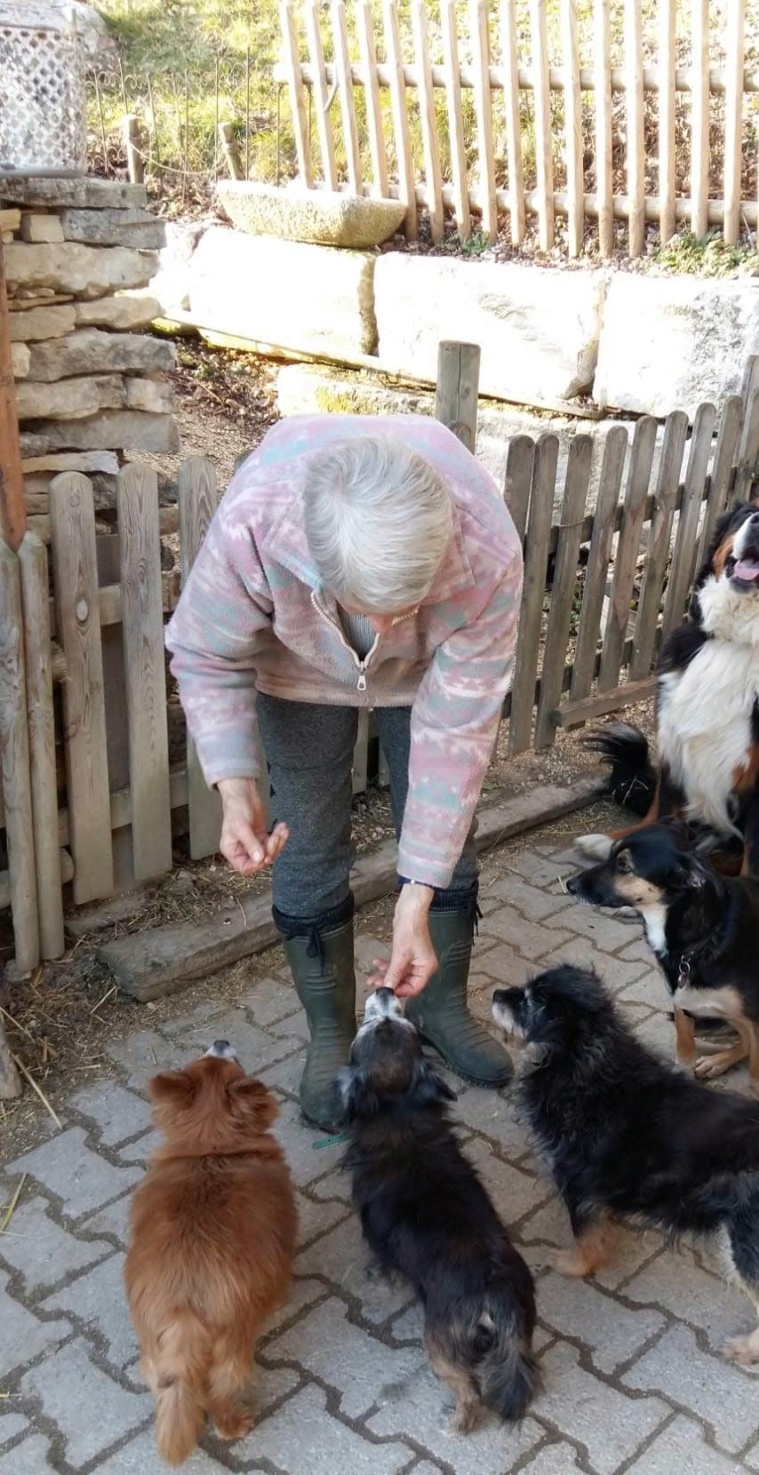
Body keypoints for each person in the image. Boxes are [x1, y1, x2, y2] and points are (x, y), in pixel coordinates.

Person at [165, 414, 523, 1130]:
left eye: (410, 602)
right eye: (374, 607)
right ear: (319, 570)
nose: (390, 621)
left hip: (431, 673)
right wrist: (234, 786)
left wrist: (415, 895)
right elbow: (207, 652)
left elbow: (457, 737)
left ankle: (439, 1006)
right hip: (298, 666)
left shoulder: (486, 550)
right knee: (305, 833)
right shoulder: (256, 525)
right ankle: (331, 1033)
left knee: (451, 826)